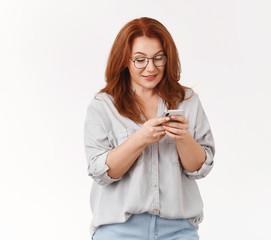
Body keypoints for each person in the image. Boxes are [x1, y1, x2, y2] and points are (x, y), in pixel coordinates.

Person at [84, 17, 215, 240]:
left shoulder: (188, 101)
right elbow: (101, 173)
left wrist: (183, 137)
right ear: (125, 60)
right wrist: (141, 138)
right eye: (140, 60)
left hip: (178, 230)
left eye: (158, 58)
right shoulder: (103, 105)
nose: (151, 67)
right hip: (119, 230)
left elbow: (200, 168)